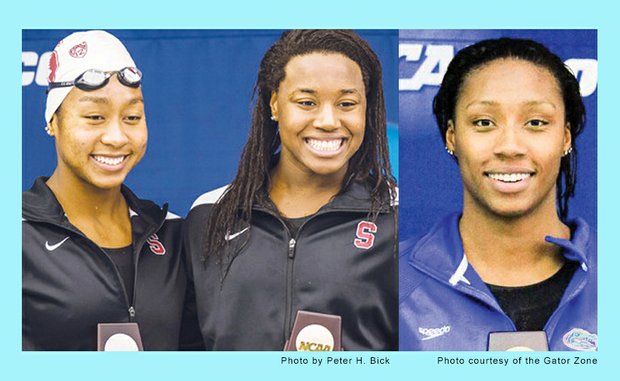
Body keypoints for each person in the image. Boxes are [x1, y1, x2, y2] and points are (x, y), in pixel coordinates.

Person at [184, 29, 398, 350]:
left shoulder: (398, 217)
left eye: (346, 103)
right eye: (307, 102)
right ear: (275, 104)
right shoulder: (211, 214)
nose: (328, 120)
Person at [399, 37, 597, 351]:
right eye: (484, 122)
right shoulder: (387, 285)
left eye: (535, 122)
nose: (509, 147)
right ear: (452, 137)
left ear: (565, 137)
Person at [22, 30, 201, 351]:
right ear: (53, 121)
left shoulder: (172, 233)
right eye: (95, 117)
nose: (117, 137)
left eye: (132, 116)